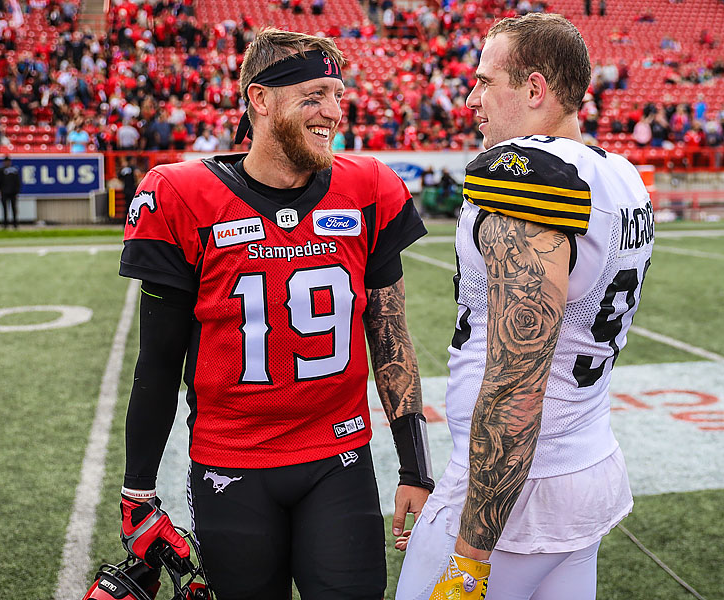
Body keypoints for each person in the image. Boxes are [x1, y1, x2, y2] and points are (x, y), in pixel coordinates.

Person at [118, 28, 433, 600]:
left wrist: (415, 465)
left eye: (337, 94)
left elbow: (390, 337)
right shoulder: (181, 194)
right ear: (260, 100)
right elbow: (158, 364)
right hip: (230, 465)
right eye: (313, 95)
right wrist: (137, 490)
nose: (333, 112)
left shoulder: (368, 187)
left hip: (339, 455)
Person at [396, 13, 653, 600]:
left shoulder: (529, 178)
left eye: (487, 81)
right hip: (586, 461)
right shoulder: (619, 173)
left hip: (512, 490)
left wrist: (469, 557)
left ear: (534, 90)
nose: (472, 98)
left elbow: (516, 380)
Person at [0, 155, 21, 228]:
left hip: (13, 192)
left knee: (14, 208)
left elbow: (17, 182)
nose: (7, 163)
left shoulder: (14, 171)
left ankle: (15, 224)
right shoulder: (0, 170)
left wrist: (17, 191)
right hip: (4, 192)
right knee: (5, 209)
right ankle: (5, 224)